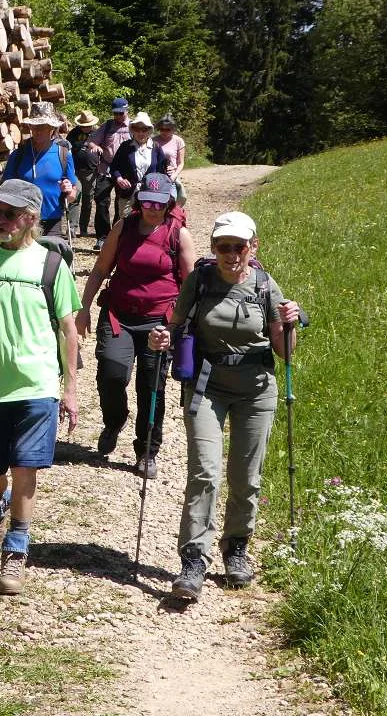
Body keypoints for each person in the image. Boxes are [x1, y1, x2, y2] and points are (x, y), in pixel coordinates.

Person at [148, 211, 300, 601]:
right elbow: (175, 323)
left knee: (247, 476)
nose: (231, 254)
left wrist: (287, 325)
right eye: (223, 247)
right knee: (205, 473)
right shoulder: (200, 281)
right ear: (213, 248)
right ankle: (194, 558)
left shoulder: (266, 286)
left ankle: (236, 548)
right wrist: (162, 339)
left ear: (253, 247)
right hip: (207, 387)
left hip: (257, 391)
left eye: (239, 246)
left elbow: (285, 353)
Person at [0, 179, 80, 596]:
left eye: (8, 213)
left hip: (37, 385)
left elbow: (68, 330)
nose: (0, 220)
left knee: (26, 468)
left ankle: (17, 548)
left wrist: (71, 388)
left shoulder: (51, 265)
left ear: (29, 218)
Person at [75, 173, 196, 479]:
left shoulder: (178, 234)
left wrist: (182, 326)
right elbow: (102, 267)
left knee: (151, 386)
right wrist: (84, 308)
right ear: (139, 201)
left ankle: (147, 450)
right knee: (111, 373)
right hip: (119, 315)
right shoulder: (124, 227)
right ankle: (115, 420)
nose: (153, 208)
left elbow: (192, 284)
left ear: (169, 202)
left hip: (160, 320)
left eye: (160, 203)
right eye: (147, 202)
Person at [0, 101, 79, 239]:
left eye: (42, 126)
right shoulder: (18, 155)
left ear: (51, 128)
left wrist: (68, 191)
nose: (37, 130)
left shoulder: (64, 154)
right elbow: (5, 189)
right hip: (21, 221)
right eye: (34, 125)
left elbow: (72, 195)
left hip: (52, 221)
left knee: (50, 259)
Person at [86, 97, 132, 251]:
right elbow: (91, 141)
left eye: (121, 113)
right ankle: (102, 237)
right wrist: (95, 147)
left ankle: (117, 236)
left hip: (125, 172)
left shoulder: (134, 126)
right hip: (105, 170)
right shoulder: (107, 126)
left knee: (122, 204)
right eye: (115, 113)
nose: (118, 116)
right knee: (101, 202)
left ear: (127, 110)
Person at [110, 112, 169, 222]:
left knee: (146, 224)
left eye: (144, 129)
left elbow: (163, 173)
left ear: (149, 131)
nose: (140, 133)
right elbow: (114, 167)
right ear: (132, 130)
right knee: (125, 224)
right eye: (137, 129)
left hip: (150, 195)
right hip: (127, 194)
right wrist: (119, 179)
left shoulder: (156, 148)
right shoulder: (125, 147)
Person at [66, 109, 102, 238]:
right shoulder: (73, 133)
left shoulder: (98, 133)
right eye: (83, 125)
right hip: (74, 171)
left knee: (88, 200)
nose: (85, 128)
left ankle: (83, 228)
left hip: (91, 171)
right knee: (75, 197)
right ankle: (72, 227)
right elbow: (68, 148)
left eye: (87, 125)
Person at [154, 114, 188, 206]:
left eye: (167, 129)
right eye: (162, 129)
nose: (164, 132)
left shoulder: (178, 141)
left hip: (171, 177)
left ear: (173, 129)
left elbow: (181, 163)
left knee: (172, 202)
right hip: (156, 177)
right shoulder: (153, 141)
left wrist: (174, 175)